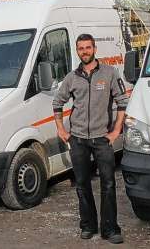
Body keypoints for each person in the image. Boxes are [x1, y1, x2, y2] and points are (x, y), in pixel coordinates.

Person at [52, 34, 129, 244]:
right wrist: (61, 129)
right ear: (77, 51)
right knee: (82, 184)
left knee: (108, 184)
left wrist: (115, 132)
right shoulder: (71, 77)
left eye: (88, 47)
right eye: (81, 48)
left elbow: (122, 102)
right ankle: (88, 226)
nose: (84, 51)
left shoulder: (109, 73)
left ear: (94, 48)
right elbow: (57, 103)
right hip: (78, 139)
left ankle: (110, 229)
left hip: (102, 139)